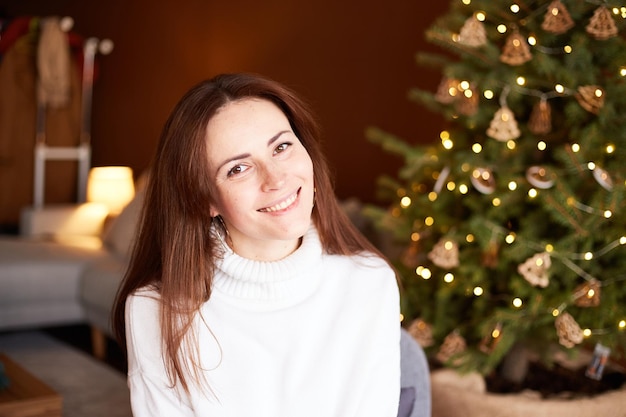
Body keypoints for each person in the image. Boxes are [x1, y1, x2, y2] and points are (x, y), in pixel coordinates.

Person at [111, 72, 401, 416]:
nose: (276, 178)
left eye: (282, 147)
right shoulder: (156, 308)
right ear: (205, 200)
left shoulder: (369, 281)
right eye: (238, 169)